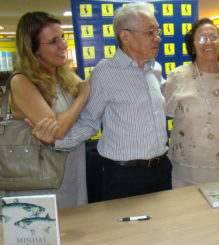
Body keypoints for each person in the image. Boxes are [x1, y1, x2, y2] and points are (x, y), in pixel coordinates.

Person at [30, 3, 172, 201]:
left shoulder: (155, 68)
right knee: (125, 232)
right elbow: (89, 122)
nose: (158, 38)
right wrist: (55, 140)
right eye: (150, 32)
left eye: (157, 31)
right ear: (125, 36)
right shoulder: (105, 73)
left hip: (161, 170)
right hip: (124, 176)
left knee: (163, 228)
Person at [2, 12, 90, 208]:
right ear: (34, 50)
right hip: (37, 183)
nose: (63, 45)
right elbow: (57, 131)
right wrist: (82, 97)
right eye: (53, 42)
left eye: (62, 37)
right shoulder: (22, 82)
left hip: (71, 173)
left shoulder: (65, 78)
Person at [163, 18, 219, 188]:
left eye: (213, 37)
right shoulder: (177, 77)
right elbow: (162, 114)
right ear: (192, 45)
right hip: (186, 172)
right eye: (202, 38)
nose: (208, 42)